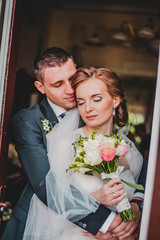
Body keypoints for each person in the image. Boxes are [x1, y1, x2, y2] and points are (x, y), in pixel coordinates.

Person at [2, 47, 131, 240]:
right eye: (57, 84)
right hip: (40, 223)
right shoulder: (28, 120)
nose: (70, 89)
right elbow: (43, 183)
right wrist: (107, 224)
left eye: (71, 79)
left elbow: (133, 166)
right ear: (40, 87)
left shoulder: (93, 111)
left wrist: (136, 205)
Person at [22, 67, 145, 240]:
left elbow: (137, 198)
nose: (88, 108)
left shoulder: (130, 151)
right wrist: (96, 204)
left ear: (115, 100)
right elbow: (50, 204)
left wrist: (130, 225)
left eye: (96, 99)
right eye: (81, 102)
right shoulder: (67, 145)